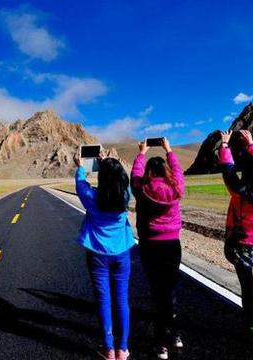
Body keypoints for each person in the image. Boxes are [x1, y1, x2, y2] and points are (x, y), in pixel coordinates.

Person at [74, 152, 135, 360]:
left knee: (103, 300)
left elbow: (80, 183)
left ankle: (108, 349)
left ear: (101, 177)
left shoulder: (92, 197)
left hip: (97, 255)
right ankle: (122, 349)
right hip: (122, 255)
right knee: (121, 300)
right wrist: (112, 164)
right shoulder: (125, 195)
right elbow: (122, 180)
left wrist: (80, 165)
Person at [130, 138, 185, 360]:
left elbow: (134, 176)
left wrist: (141, 154)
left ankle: (161, 343)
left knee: (157, 293)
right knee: (169, 292)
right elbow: (179, 172)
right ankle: (175, 335)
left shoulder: (141, 189)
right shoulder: (175, 188)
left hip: (150, 245)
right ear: (165, 170)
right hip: (172, 245)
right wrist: (169, 150)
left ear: (149, 174)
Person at [219, 130, 253, 335]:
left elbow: (228, 170)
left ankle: (250, 321)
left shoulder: (239, 191)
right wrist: (251, 145)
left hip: (242, 244)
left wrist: (224, 146)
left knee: (247, 286)